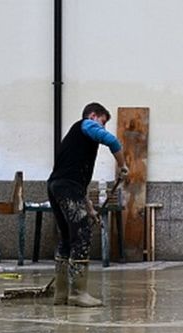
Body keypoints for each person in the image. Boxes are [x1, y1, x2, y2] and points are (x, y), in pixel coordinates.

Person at [48, 102, 128, 307]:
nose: (103, 128)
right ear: (93, 116)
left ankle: (61, 293)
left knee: (67, 237)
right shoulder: (86, 125)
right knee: (82, 234)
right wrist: (122, 165)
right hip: (67, 187)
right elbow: (112, 141)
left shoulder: (78, 142)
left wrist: (90, 210)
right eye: (102, 122)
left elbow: (79, 186)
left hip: (57, 185)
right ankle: (77, 293)